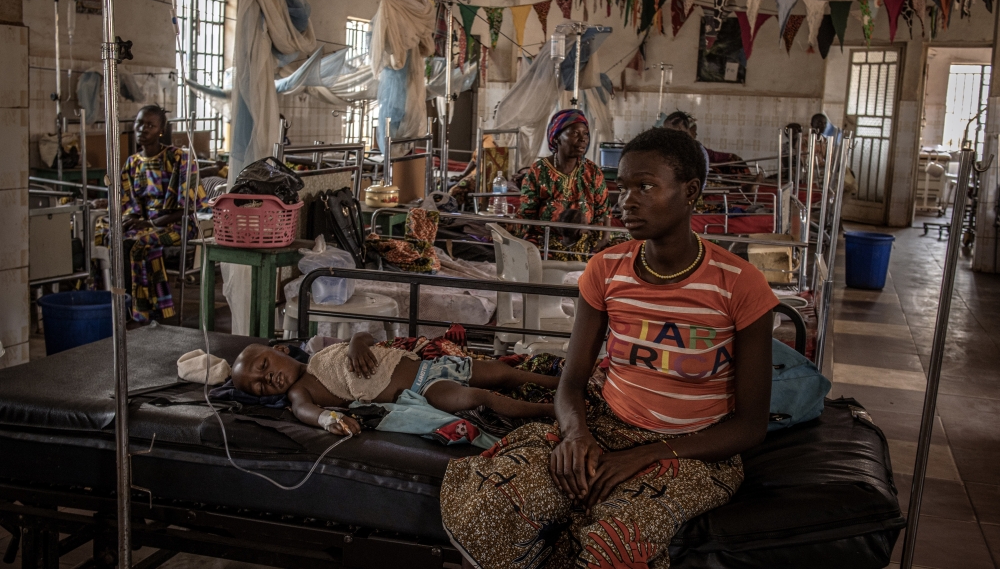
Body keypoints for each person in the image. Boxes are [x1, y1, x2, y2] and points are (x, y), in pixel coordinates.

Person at [440, 128, 776, 568]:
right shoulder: (607, 269)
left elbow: (750, 426)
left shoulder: (740, 284)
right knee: (492, 503)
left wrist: (644, 456)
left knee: (613, 543)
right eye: (623, 188)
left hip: (692, 450)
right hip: (604, 425)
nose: (626, 201)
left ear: (691, 191)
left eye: (646, 187)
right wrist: (576, 436)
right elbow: (571, 383)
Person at [231, 332, 561, 435]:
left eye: (264, 367)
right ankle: (552, 410)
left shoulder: (321, 352)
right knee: (480, 396)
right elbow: (305, 410)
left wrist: (356, 343)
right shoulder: (299, 390)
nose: (267, 379)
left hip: (432, 365)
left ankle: (562, 384)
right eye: (259, 387)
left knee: (501, 371)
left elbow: (369, 338)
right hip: (423, 390)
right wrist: (328, 419)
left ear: (280, 350)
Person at [98, 105, 203, 323]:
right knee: (109, 237)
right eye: (139, 123)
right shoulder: (133, 163)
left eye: (150, 125)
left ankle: (147, 309)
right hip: (145, 223)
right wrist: (126, 220)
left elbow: (190, 205)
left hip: (178, 225)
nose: (143, 129)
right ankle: (120, 304)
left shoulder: (179, 158)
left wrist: (151, 224)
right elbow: (128, 202)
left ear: (161, 131)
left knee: (139, 244)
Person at [514, 109, 612, 260]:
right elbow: (527, 213)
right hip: (546, 238)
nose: (583, 139)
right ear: (557, 137)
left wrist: (604, 239)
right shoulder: (539, 170)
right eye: (575, 133)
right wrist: (522, 241)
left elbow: (604, 211)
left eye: (585, 134)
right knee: (533, 257)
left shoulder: (592, 171)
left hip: (585, 238)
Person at [662, 110, 750, 175]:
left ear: (680, 128)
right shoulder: (673, 146)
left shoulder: (693, 148)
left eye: (668, 130)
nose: (667, 134)